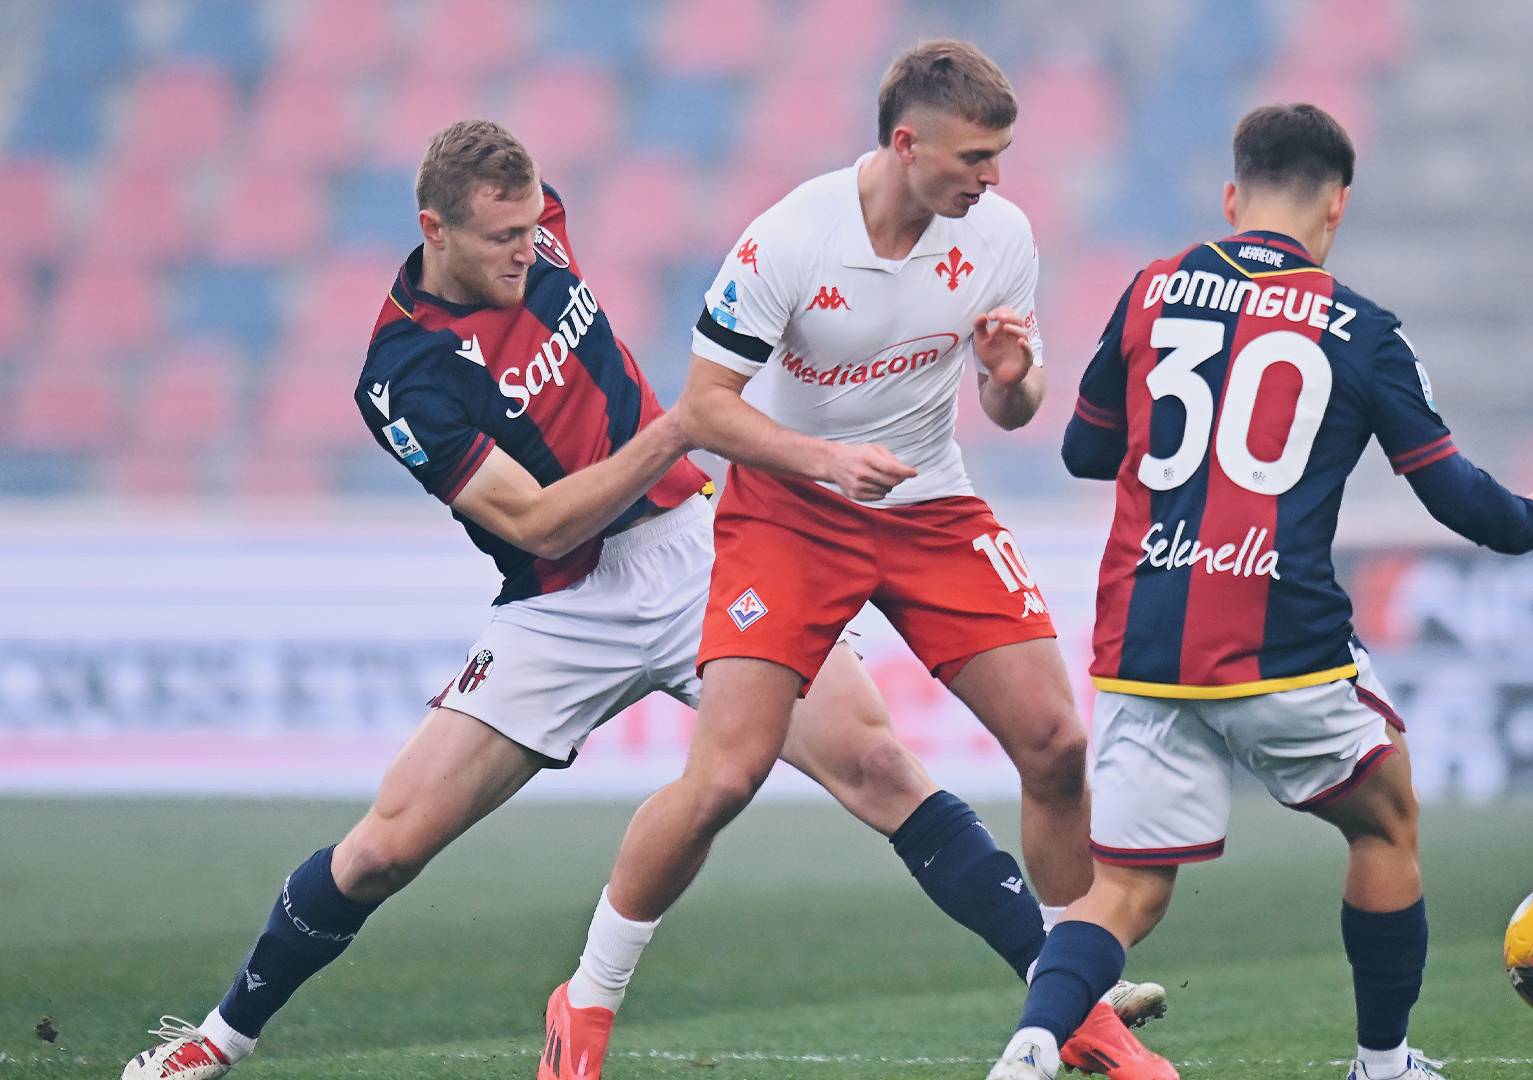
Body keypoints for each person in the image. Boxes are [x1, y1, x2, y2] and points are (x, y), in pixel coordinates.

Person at [119, 119, 1156, 1080]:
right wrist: (681, 428)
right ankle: (217, 1039)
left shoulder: (543, 227)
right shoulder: (405, 376)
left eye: (533, 226)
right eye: (501, 238)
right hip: (560, 605)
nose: (527, 250)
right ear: (434, 231)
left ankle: (1069, 1001)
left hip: (699, 550)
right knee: (386, 846)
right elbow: (538, 524)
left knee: (878, 765)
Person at [541, 40, 1174, 1080]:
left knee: (1058, 744)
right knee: (725, 778)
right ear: (906, 143)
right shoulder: (792, 238)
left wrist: (1009, 378)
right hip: (788, 513)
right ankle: (587, 999)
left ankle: (1080, 1010)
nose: (994, 177)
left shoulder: (1000, 236)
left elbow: (1014, 409)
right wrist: (824, 460)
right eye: (975, 157)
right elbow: (704, 411)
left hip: (930, 506)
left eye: (1001, 155)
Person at [983, 103, 1533, 1080]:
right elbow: (1452, 493)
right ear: (1337, 204)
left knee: (1126, 892)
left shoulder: (1150, 290)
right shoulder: (1364, 330)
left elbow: (1086, 451)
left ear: (1233, 197)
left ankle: (1030, 1047)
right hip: (1282, 641)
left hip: (1146, 640)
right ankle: (1382, 1065)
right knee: (1384, 819)